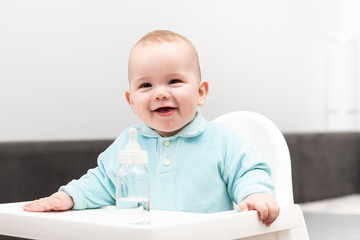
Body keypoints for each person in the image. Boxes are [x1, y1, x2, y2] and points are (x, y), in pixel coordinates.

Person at [23, 30, 280, 226]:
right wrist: (68, 197)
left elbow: (248, 172)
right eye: (146, 85)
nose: (159, 94)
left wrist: (255, 194)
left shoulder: (221, 140)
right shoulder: (129, 141)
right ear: (131, 100)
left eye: (174, 81)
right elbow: (101, 181)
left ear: (200, 92)